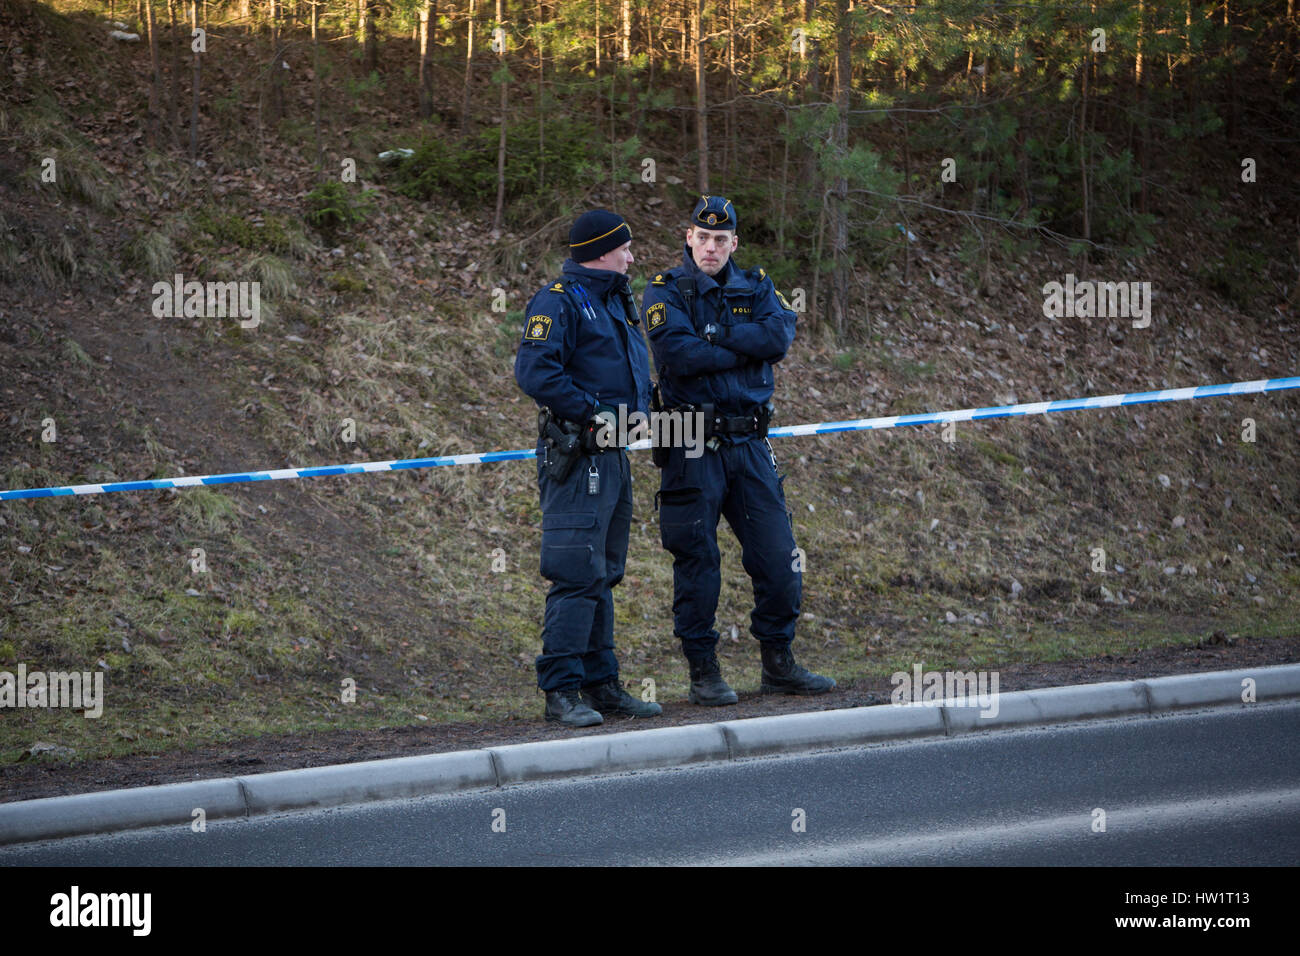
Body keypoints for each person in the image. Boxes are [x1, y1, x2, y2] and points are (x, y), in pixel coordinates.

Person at [642, 195, 835, 705]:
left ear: (734, 243)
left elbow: (779, 336)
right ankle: (703, 671)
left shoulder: (758, 285)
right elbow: (678, 355)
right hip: (691, 440)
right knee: (697, 559)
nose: (711, 247)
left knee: (778, 556)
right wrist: (742, 345)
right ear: (689, 237)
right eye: (702, 238)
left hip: (749, 439)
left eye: (721, 240)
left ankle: (778, 662)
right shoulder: (666, 290)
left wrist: (717, 337)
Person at [514, 209, 663, 727]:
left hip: (614, 456)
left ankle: (602, 686)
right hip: (579, 458)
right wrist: (589, 411)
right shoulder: (560, 301)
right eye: (624, 247)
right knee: (576, 573)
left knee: (604, 574)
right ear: (602, 250)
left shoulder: (613, 300)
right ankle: (561, 690)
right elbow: (534, 370)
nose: (631, 255)